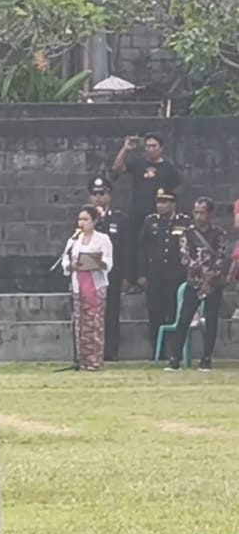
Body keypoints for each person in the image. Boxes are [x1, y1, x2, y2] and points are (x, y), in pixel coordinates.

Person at [164, 196, 228, 371]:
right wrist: (201, 272)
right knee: (184, 319)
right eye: (196, 212)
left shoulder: (219, 234)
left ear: (210, 214)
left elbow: (221, 257)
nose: (199, 216)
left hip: (214, 283)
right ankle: (175, 358)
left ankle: (206, 358)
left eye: (202, 212)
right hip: (194, 282)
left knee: (212, 320)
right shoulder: (188, 234)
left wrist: (211, 276)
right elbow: (185, 257)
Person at [112, 133, 180, 292]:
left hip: (159, 214)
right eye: (147, 146)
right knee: (135, 245)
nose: (150, 149)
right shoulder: (138, 163)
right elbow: (118, 168)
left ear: (161, 148)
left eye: (153, 146)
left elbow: (176, 189)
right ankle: (134, 279)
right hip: (138, 212)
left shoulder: (168, 168)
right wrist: (125, 149)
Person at [137, 188, 193, 362]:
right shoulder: (150, 222)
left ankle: (174, 352)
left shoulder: (183, 222)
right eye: (158, 202)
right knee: (155, 316)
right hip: (155, 276)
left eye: (165, 202)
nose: (161, 206)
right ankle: (157, 353)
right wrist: (140, 274)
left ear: (173, 203)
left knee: (175, 315)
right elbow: (141, 249)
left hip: (176, 276)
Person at [60, 206, 113, 371]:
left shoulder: (102, 239)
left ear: (94, 221)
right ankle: (81, 359)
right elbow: (65, 260)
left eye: (85, 219)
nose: (82, 223)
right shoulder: (73, 240)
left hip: (95, 284)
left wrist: (97, 262)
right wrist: (71, 266)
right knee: (80, 323)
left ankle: (94, 359)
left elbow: (108, 262)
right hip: (78, 284)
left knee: (94, 323)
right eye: (80, 219)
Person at [88, 177, 129, 360]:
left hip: (113, 273)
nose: (98, 198)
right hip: (90, 274)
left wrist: (127, 275)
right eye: (95, 194)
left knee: (111, 314)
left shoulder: (118, 218)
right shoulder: (86, 219)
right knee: (91, 315)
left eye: (102, 193)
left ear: (109, 195)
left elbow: (127, 248)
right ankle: (91, 351)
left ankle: (111, 353)